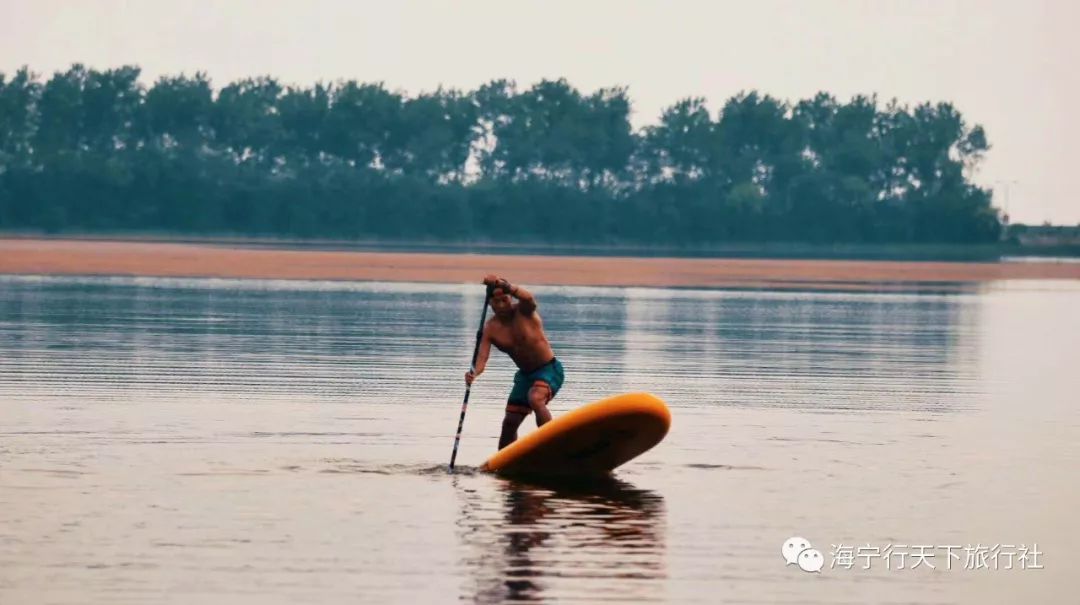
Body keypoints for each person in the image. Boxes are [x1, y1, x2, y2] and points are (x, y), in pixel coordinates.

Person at [465, 275, 564, 449]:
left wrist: (507, 286)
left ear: (510, 297)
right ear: (490, 304)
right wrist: (474, 373)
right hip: (525, 377)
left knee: (535, 398)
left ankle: (552, 444)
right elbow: (482, 358)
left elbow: (529, 298)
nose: (502, 305)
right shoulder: (490, 328)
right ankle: (502, 464)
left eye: (505, 299)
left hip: (549, 369)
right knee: (509, 422)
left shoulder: (525, 311)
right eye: (497, 302)